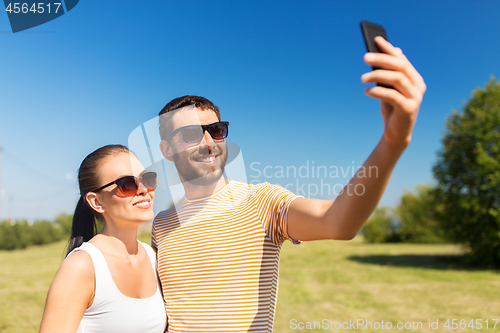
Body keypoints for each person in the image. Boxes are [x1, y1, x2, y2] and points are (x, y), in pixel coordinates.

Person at [152, 36, 426, 332]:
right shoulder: (161, 225)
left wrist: (393, 141)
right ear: (167, 149)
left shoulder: (261, 202)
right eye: (191, 134)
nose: (209, 143)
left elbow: (338, 223)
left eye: (216, 130)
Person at [39, 145, 167, 333]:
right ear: (97, 202)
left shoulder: (155, 257)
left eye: (147, 179)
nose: (143, 189)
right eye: (127, 184)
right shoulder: (82, 266)